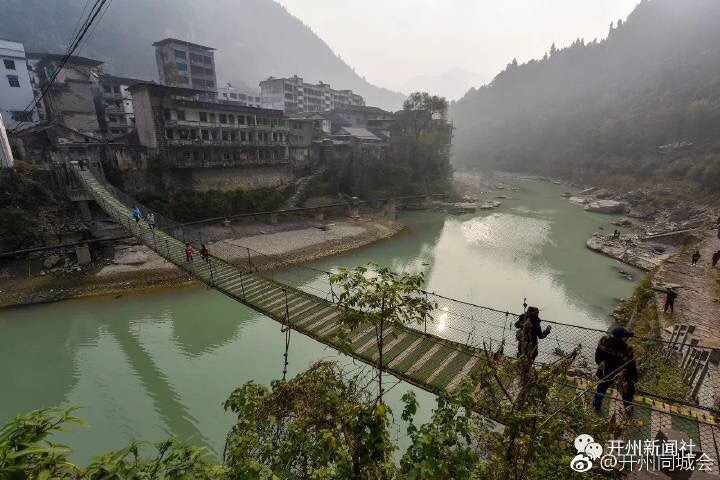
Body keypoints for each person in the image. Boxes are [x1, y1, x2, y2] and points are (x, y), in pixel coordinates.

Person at [592, 327, 638, 412]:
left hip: (605, 370)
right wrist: (633, 377)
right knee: (627, 388)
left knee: (602, 385)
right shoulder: (626, 349)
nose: (627, 338)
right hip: (620, 372)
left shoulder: (604, 343)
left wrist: (601, 363)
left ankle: (596, 404)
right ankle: (628, 406)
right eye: (626, 336)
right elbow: (630, 365)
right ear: (623, 338)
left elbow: (598, 358)